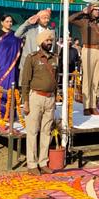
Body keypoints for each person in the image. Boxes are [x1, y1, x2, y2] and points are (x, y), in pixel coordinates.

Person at [21, 29, 58, 175]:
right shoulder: (32, 58)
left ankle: (43, 162)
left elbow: (56, 79)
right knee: (32, 131)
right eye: (47, 40)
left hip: (50, 98)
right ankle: (32, 164)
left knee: (46, 131)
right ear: (40, 42)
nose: (49, 42)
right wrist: (26, 101)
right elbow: (25, 81)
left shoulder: (55, 58)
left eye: (51, 40)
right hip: (35, 97)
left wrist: (55, 97)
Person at [70, 3, 99, 116]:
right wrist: (82, 12)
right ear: (90, 10)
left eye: (98, 10)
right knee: (87, 79)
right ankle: (86, 106)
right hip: (88, 49)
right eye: (95, 9)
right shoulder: (84, 21)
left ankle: (93, 106)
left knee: (96, 80)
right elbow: (70, 19)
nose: (97, 11)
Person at [0, 14, 21, 116]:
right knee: (0, 86)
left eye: (11, 22)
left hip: (12, 66)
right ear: (2, 22)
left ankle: (10, 113)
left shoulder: (15, 35)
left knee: (11, 87)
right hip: (0, 65)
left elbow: (19, 49)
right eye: (7, 21)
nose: (9, 23)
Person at [15, 9, 53, 77]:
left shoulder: (51, 31)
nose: (47, 20)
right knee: (25, 86)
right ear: (38, 19)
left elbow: (53, 48)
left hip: (44, 64)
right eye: (44, 18)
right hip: (28, 62)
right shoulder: (30, 29)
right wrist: (27, 22)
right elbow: (17, 34)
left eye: (48, 18)